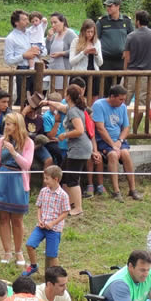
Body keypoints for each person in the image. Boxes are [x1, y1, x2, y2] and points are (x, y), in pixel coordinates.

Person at [0, 112, 34, 265]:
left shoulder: (28, 143)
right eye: (5, 124)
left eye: (9, 124)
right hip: (2, 181)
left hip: (18, 183)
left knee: (17, 220)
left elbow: (26, 165)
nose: (6, 127)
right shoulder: (1, 141)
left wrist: (13, 152)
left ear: (17, 125)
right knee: (3, 218)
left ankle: (19, 252)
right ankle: (7, 251)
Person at [92, 84, 140, 201]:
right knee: (113, 155)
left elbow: (126, 127)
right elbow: (100, 128)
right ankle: (116, 191)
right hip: (103, 140)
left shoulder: (122, 107)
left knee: (125, 154)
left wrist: (119, 141)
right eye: (121, 99)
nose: (123, 102)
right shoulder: (99, 105)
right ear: (112, 96)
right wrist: (112, 145)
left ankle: (132, 189)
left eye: (124, 99)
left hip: (118, 140)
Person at [22, 165, 70, 276]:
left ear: (56, 179)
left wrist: (53, 223)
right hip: (41, 227)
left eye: (47, 178)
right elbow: (39, 206)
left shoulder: (63, 195)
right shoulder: (44, 191)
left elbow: (65, 212)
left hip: (54, 230)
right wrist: (39, 220)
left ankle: (56, 276)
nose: (45, 181)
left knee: (52, 255)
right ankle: (33, 266)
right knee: (30, 245)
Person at [123, 9, 151, 125]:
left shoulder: (131, 36)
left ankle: (123, 128)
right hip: (147, 75)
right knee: (141, 104)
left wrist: (124, 72)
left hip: (131, 73)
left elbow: (126, 57)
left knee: (122, 101)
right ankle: (135, 129)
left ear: (137, 21)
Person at [53, 84, 90, 214]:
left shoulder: (73, 111)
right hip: (75, 148)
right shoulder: (73, 108)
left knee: (73, 178)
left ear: (68, 96)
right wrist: (47, 102)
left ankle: (78, 208)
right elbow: (60, 107)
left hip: (79, 149)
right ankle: (67, 203)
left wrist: (64, 135)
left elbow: (79, 130)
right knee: (63, 173)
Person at [96, 0, 132, 96]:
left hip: (120, 60)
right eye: (107, 6)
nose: (108, 8)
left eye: (110, 6)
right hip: (105, 60)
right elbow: (95, 39)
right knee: (105, 87)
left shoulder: (126, 21)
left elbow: (132, 38)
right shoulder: (102, 21)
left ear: (117, 6)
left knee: (117, 88)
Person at [3, 10, 38, 106]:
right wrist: (23, 56)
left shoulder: (32, 33)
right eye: (24, 19)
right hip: (23, 70)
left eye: (27, 19)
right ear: (16, 22)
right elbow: (8, 59)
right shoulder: (11, 38)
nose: (27, 22)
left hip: (36, 68)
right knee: (22, 99)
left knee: (36, 99)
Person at [69, 19, 103, 99]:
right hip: (79, 75)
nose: (90, 34)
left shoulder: (97, 42)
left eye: (92, 32)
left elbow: (100, 63)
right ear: (83, 31)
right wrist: (84, 52)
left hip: (94, 75)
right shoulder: (75, 41)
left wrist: (96, 54)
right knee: (78, 98)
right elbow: (72, 61)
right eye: (88, 32)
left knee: (94, 98)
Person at [45, 13, 76, 91]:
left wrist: (62, 53)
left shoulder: (70, 34)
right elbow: (48, 51)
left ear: (62, 22)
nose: (53, 25)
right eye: (51, 23)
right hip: (53, 70)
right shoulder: (54, 35)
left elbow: (77, 49)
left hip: (64, 70)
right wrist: (48, 38)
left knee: (62, 93)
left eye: (55, 22)